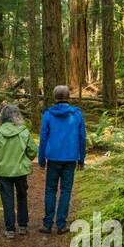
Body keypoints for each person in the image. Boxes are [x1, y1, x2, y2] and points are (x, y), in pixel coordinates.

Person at [38, 85, 86, 234]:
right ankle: (61, 225)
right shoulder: (77, 114)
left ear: (55, 97)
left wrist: (41, 159)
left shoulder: (48, 114)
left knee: (50, 190)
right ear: (68, 97)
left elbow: (43, 138)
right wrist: (81, 159)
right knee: (65, 190)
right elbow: (82, 137)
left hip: (53, 158)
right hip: (70, 158)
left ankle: (47, 224)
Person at [0, 103, 37, 238]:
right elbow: (33, 151)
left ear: (2, 117)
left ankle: (10, 229)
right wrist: (26, 159)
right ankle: (23, 226)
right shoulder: (24, 131)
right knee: (22, 196)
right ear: (17, 116)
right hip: (20, 171)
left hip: (3, 172)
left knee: (7, 199)